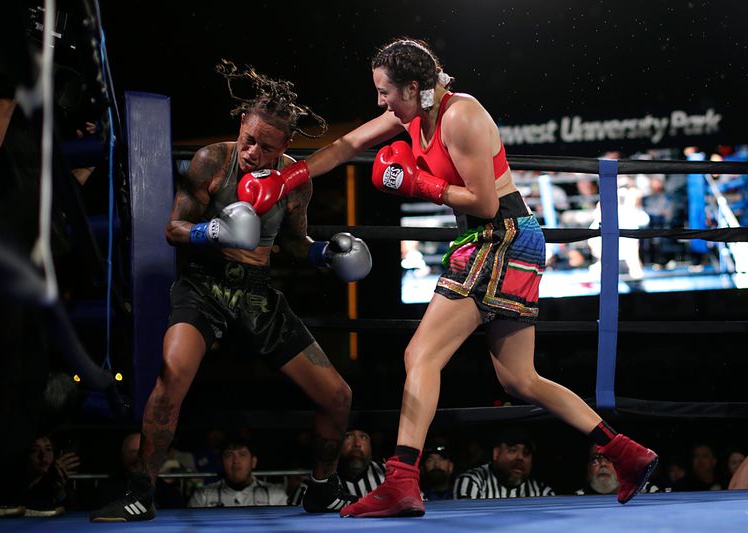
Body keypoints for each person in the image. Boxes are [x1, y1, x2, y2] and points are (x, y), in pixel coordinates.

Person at [242, 38, 658, 517]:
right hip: (502, 240)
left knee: (420, 353)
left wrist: (419, 184)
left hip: (497, 235)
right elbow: (347, 145)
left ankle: (401, 480)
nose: (380, 102)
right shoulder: (412, 113)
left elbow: (482, 202)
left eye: (385, 92)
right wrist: (285, 179)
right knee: (520, 378)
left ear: (414, 86)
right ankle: (627, 453)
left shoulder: (461, 116)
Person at [89, 61, 370, 521]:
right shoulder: (213, 160)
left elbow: (295, 245)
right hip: (203, 285)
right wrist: (213, 232)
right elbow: (173, 228)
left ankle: (321, 487)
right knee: (170, 379)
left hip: (257, 294)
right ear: (242, 122)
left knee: (338, 396)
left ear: (286, 148)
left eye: (267, 147)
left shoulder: (295, 182)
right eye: (250, 138)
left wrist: (327, 254)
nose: (253, 152)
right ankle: (140, 492)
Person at [291, 427, 385, 505]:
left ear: (371, 446)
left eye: (363, 437)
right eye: (348, 436)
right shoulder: (318, 481)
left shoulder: (387, 473)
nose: (357, 444)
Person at [453, 427, 553, 499]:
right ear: (496, 453)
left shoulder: (542, 491)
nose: (520, 458)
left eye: (526, 453)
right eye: (512, 450)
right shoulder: (471, 482)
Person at [188, 436, 287, 507]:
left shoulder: (274, 494)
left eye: (242, 455)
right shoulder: (203, 495)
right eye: (229, 455)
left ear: (253, 462)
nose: (235, 461)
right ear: (221, 462)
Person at [23, 434, 81, 516]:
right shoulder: (16, 486)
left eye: (48, 449)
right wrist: (49, 479)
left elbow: (74, 511)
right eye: (35, 450)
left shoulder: (59, 479)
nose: (43, 456)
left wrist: (60, 490)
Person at [575, 444, 661, 496]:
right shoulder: (576, 498)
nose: (603, 464)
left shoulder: (650, 492)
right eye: (595, 458)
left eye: (610, 457)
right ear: (588, 469)